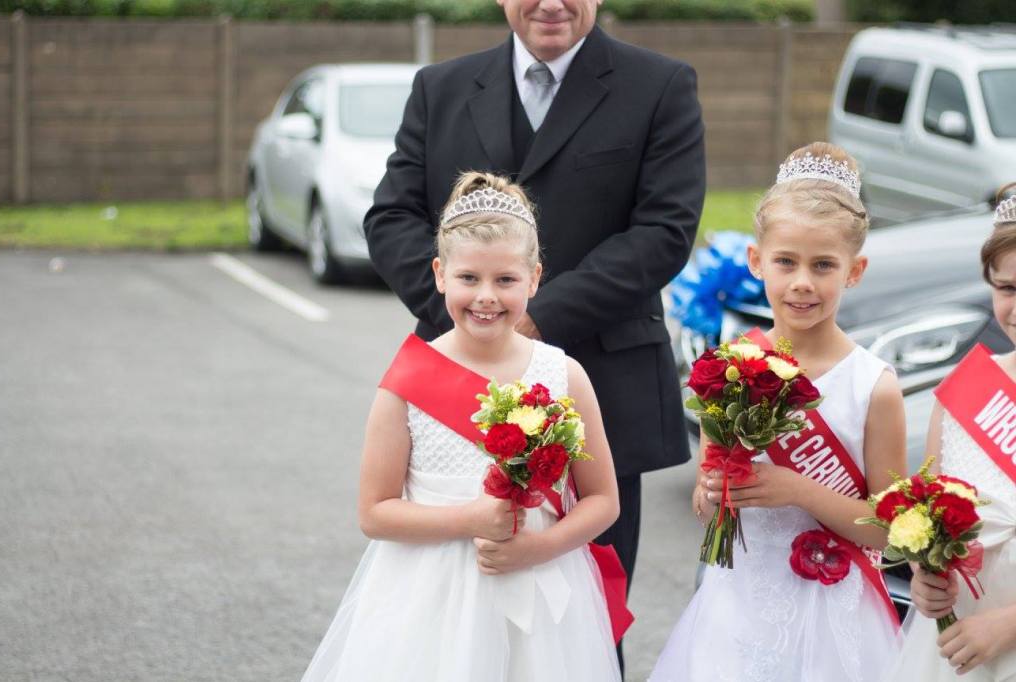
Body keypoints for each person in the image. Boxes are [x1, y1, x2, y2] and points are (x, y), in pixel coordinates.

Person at [363, 0, 706, 595]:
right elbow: (391, 218)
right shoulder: (439, 89)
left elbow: (664, 230)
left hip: (601, 384)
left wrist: (534, 318)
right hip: (452, 391)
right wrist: (474, 316)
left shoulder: (661, 86)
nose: (550, 4)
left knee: (592, 610)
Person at [300, 171, 622, 682]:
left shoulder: (565, 375)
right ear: (439, 274)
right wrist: (471, 518)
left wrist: (537, 548)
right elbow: (374, 513)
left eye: (505, 280)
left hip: (540, 586)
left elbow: (603, 499)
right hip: (429, 599)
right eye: (469, 278)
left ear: (534, 278)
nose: (486, 296)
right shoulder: (406, 383)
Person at [649, 142, 907, 681]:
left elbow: (889, 530)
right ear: (756, 261)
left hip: (834, 612)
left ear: (855, 270)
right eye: (785, 261)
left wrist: (798, 489)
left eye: (823, 265)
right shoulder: (730, 367)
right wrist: (710, 494)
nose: (802, 282)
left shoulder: (874, 387)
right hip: (737, 608)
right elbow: (707, 502)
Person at [885, 186, 1016, 681]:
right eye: (1008, 289)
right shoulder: (961, 395)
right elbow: (931, 527)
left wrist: (1007, 626)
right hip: (957, 650)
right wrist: (927, 582)